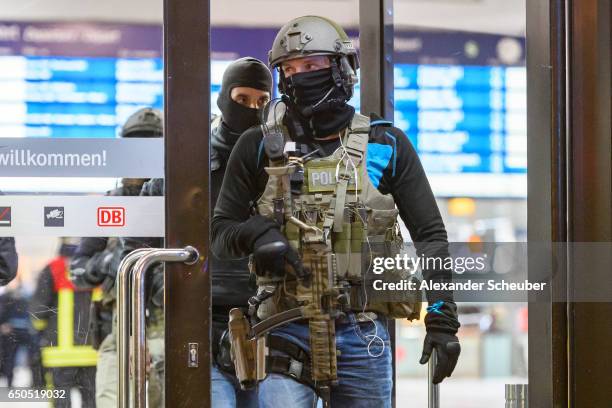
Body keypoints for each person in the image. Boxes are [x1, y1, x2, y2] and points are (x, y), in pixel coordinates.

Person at [212, 16, 461, 408]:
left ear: (342, 68)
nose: (299, 77)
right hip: (283, 325)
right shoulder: (258, 145)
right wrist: (256, 234)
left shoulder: (385, 144)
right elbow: (221, 231)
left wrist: (443, 319)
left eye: (311, 66)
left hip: (363, 330)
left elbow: (430, 235)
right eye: (289, 70)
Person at [139, 57, 272, 408]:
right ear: (223, 98)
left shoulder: (277, 167)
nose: (251, 109)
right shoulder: (186, 164)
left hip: (264, 323)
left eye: (262, 101)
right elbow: (141, 243)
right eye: (241, 99)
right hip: (197, 322)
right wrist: (164, 294)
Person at [68, 107, 164, 408]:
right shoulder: (110, 204)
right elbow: (77, 270)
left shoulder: (177, 202)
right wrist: (111, 262)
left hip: (168, 327)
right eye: (135, 144)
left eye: (150, 144)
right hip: (117, 331)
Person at [29, 238, 99, 407]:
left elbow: (38, 311)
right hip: (92, 352)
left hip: (59, 353)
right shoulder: (95, 268)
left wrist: (42, 331)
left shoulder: (53, 268)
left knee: (60, 399)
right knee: (90, 399)